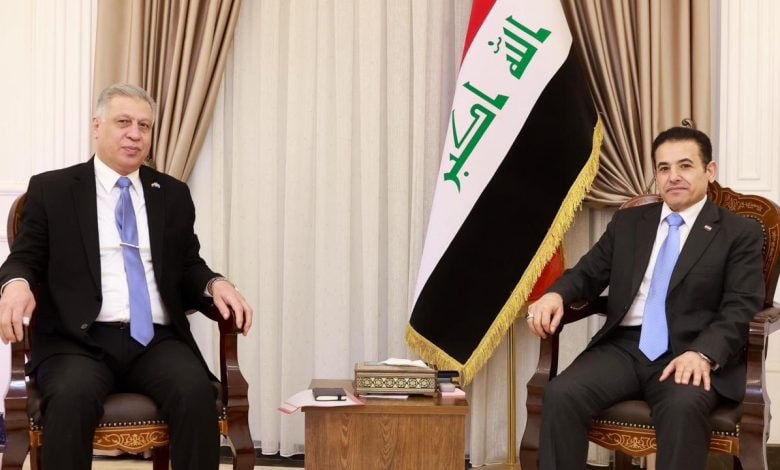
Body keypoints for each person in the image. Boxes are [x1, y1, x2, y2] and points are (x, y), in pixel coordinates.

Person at [0, 83, 253, 470]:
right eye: (123, 122)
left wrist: (214, 283)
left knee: (195, 393)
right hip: (78, 341)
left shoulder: (171, 193)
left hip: (155, 340)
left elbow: (189, 265)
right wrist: (16, 284)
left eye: (144, 125)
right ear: (97, 126)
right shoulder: (53, 189)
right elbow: (25, 258)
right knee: (70, 397)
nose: (135, 134)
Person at [525, 126, 765, 469]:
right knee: (562, 394)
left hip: (689, 350)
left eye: (685, 166)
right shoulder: (629, 222)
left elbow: (741, 305)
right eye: (664, 168)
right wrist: (555, 295)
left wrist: (703, 353)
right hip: (624, 347)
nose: (673, 176)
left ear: (709, 170)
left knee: (682, 408)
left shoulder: (739, 232)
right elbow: (587, 273)